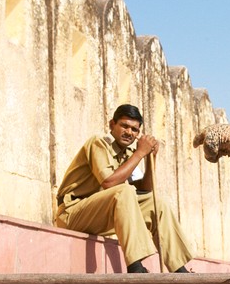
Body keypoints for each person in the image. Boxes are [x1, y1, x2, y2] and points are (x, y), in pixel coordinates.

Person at [55, 104, 193, 273]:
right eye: (124, 126)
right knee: (124, 191)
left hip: (99, 215)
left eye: (134, 130)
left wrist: (150, 159)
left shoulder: (128, 154)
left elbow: (144, 188)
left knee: (157, 203)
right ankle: (135, 266)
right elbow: (109, 183)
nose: (129, 132)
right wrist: (139, 153)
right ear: (112, 124)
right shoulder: (98, 143)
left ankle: (179, 269)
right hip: (72, 213)